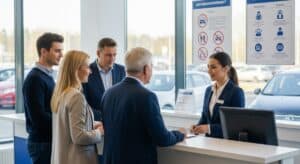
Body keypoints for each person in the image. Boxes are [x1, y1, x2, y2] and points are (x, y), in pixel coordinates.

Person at [100, 47, 186, 164]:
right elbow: (162, 138)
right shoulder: (147, 96)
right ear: (146, 69)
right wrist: (180, 134)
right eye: (151, 66)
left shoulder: (108, 93)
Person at [51, 50, 104, 164]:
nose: (90, 72)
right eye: (87, 67)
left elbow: (67, 124)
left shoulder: (62, 93)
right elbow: (79, 137)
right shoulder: (76, 97)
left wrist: (92, 124)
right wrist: (99, 131)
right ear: (76, 69)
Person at [23, 32, 63, 164]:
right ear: (44, 51)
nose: (61, 55)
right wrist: (63, 121)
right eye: (57, 51)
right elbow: (38, 117)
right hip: (42, 143)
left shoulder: (47, 76)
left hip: (48, 141)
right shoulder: (35, 79)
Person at [191, 52, 245, 138]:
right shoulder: (208, 90)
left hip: (226, 144)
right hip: (209, 142)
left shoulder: (236, 92)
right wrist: (197, 127)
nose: (209, 71)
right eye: (208, 67)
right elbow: (205, 117)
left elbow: (235, 126)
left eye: (213, 67)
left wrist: (208, 128)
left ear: (226, 69)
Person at [83, 37, 125, 121]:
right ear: (98, 53)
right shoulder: (86, 71)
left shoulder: (121, 70)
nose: (112, 58)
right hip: (95, 124)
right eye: (108, 55)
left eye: (114, 55)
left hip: (118, 122)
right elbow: (84, 104)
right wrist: (105, 117)